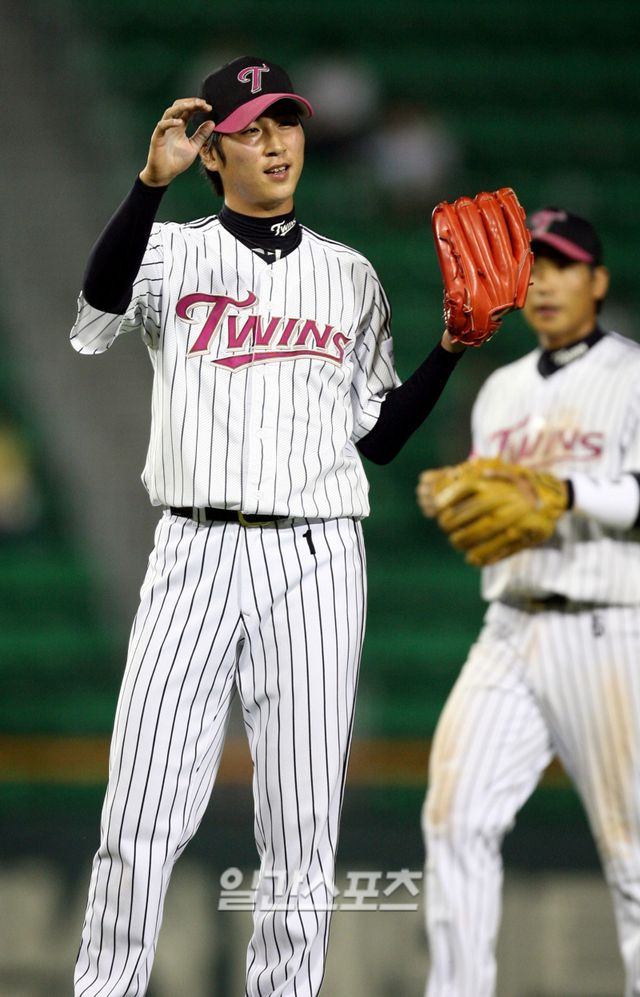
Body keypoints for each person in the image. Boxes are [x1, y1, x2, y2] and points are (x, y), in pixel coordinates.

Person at [69, 55, 472, 997]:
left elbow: (379, 436)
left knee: (302, 825)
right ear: (212, 153)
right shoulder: (169, 252)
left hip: (317, 554)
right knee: (139, 812)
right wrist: (147, 187)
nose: (275, 141)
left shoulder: (351, 275)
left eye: (284, 122)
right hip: (195, 548)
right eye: (249, 129)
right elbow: (95, 316)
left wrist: (450, 349)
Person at [417, 207, 640, 997]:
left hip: (607, 628)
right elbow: (494, 513)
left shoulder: (633, 375)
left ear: (598, 281)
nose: (544, 282)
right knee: (453, 818)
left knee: (631, 850)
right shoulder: (500, 391)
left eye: (563, 266)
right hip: (509, 628)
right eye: (533, 268)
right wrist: (456, 497)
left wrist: (565, 492)